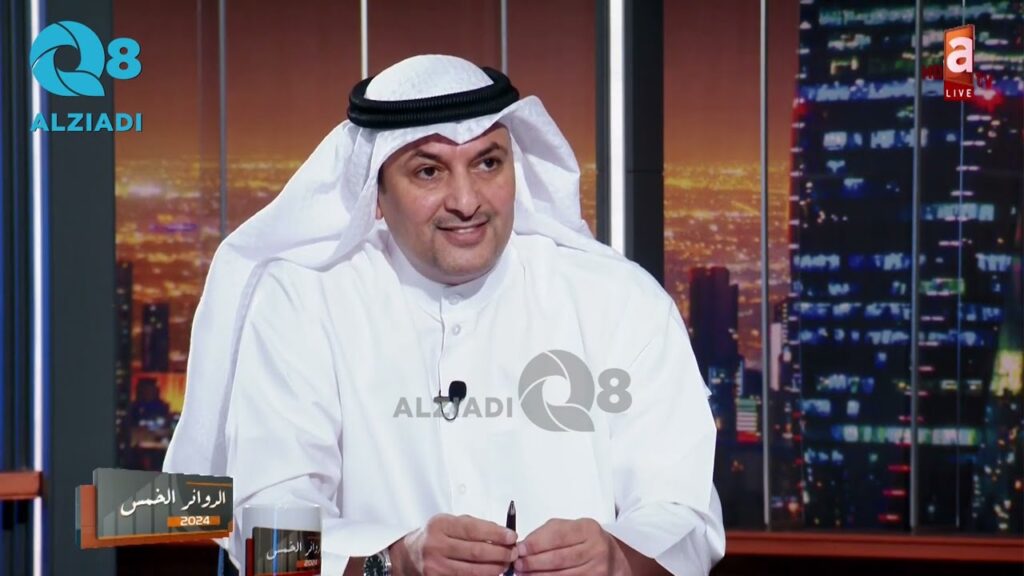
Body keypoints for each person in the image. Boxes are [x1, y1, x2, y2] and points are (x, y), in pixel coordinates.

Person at [164, 54, 725, 576]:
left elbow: (687, 519)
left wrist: (619, 559)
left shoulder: (619, 301)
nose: (466, 200)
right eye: (429, 172)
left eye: (487, 163)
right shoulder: (303, 301)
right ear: (375, 192)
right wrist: (393, 561)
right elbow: (263, 534)